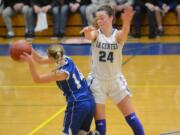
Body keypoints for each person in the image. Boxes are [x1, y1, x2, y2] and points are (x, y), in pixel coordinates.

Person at [80, 5, 145, 135]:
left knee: (132, 118)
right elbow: (89, 36)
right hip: (98, 83)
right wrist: (87, 31)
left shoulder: (117, 36)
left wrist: (127, 21)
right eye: (98, 19)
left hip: (116, 81)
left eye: (102, 18)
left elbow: (124, 33)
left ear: (111, 18)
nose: (99, 21)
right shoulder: (97, 34)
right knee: (101, 126)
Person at [20, 44, 99, 135]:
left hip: (77, 104)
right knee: (80, 132)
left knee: (66, 133)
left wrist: (30, 61)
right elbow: (40, 60)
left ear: (50, 57)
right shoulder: (67, 58)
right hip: (90, 101)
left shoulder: (60, 73)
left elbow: (37, 79)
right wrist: (30, 49)